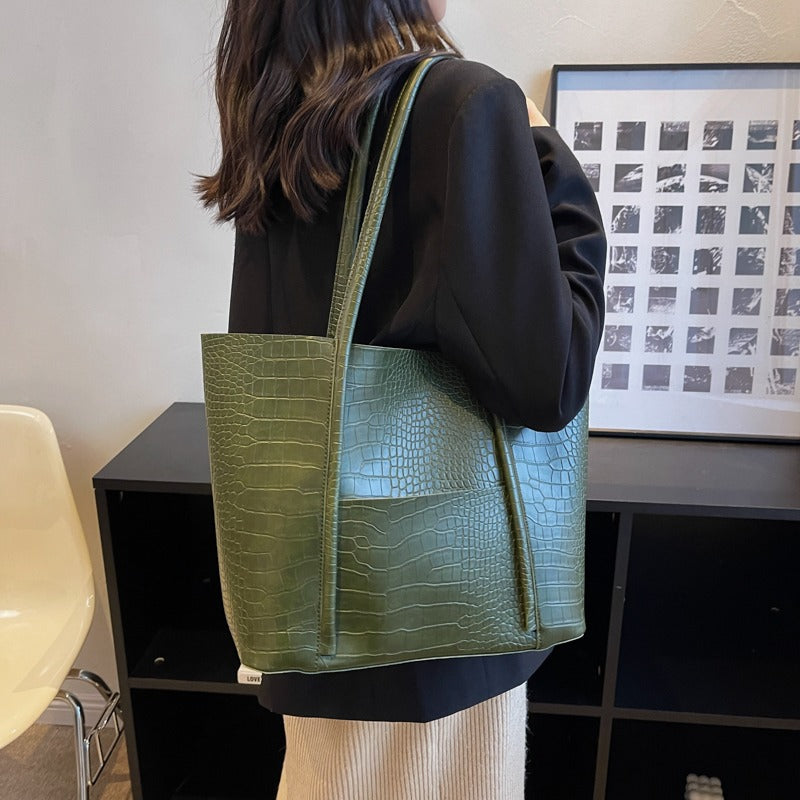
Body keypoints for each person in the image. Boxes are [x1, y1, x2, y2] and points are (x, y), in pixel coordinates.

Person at [196, 1, 606, 797]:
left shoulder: (281, 111)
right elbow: (548, 381)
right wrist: (543, 149)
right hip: (438, 624)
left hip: (315, 600)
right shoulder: (466, 104)